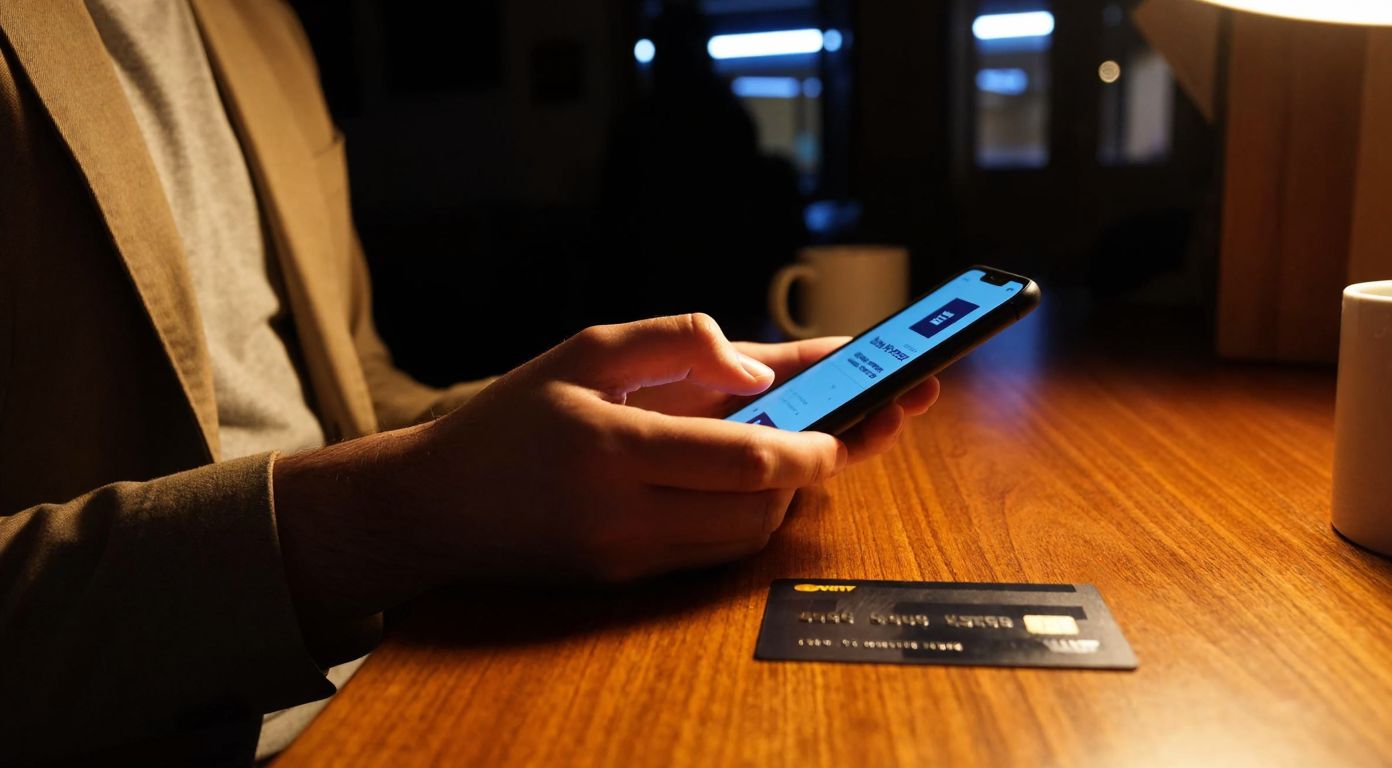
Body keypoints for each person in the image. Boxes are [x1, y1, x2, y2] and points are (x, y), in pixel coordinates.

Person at [0, 1, 940, 764]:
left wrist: (616, 416)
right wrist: (397, 513)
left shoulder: (260, 25)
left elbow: (354, 387)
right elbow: (398, 482)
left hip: (402, 673)